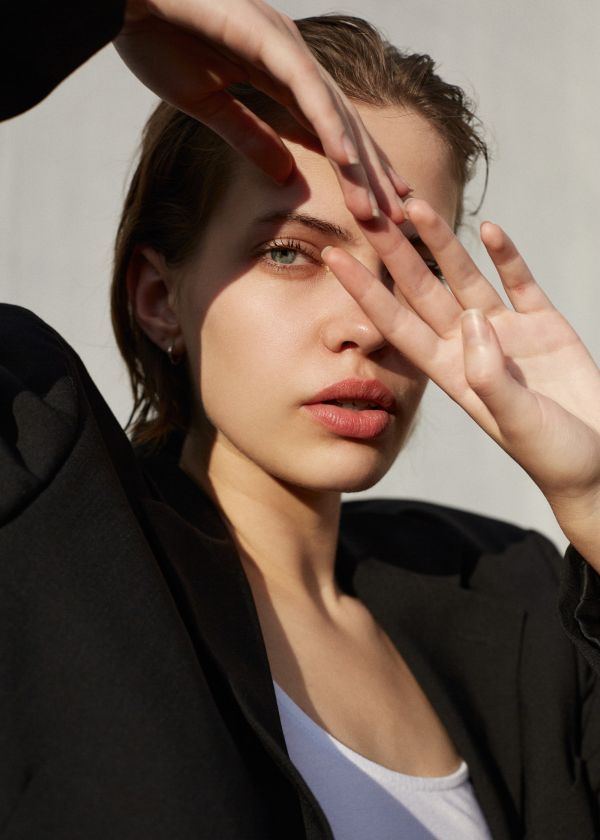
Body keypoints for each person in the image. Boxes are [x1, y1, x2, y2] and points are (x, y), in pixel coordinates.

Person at [2, 4, 600, 840]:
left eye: (412, 269)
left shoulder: (513, 599)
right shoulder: (48, 530)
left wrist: (595, 499)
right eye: (289, 251)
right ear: (158, 296)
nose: (366, 325)